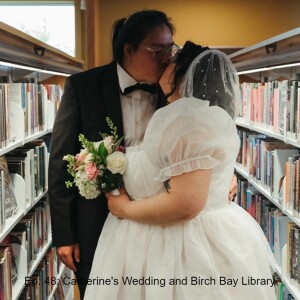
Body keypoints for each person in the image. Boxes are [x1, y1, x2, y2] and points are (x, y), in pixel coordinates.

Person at [84, 43, 276, 300]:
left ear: (184, 75)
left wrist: (123, 209)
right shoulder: (199, 115)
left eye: (172, 59)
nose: (165, 61)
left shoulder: (186, 118)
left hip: (182, 246)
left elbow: (186, 202)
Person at [48, 10, 176, 298]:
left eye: (170, 49)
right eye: (157, 50)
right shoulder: (83, 87)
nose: (167, 58)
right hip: (97, 223)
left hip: (158, 220)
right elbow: (60, 164)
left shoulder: (174, 90)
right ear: (128, 49)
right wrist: (65, 236)